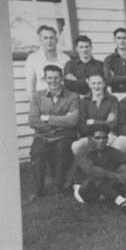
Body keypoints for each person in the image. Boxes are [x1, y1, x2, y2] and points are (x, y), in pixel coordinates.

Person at [73, 124, 126, 215]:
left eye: (104, 138)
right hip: (87, 192)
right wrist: (114, 175)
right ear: (89, 139)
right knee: (95, 175)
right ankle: (124, 204)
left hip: (105, 189)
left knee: (125, 167)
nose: (101, 141)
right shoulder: (82, 154)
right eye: (97, 138)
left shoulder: (109, 150)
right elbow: (91, 170)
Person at [28, 65, 79, 200]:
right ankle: (39, 190)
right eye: (49, 77)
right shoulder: (38, 96)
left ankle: (59, 187)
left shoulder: (72, 96)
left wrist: (47, 118)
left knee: (62, 150)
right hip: (44, 135)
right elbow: (33, 121)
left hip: (65, 135)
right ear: (45, 79)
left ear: (61, 78)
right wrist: (58, 125)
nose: (53, 81)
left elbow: (73, 120)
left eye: (56, 77)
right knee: (36, 152)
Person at [71, 73, 119, 155]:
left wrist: (93, 122)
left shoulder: (113, 100)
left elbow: (113, 124)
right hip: (91, 136)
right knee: (76, 146)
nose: (96, 86)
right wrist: (105, 123)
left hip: (108, 135)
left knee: (111, 145)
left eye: (99, 83)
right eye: (93, 83)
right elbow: (82, 126)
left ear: (104, 84)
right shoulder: (84, 101)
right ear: (89, 84)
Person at [25, 25, 71, 100]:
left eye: (51, 38)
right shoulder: (33, 59)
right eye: (45, 38)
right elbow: (30, 86)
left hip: (63, 102)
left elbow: (70, 84)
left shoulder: (65, 58)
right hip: (43, 102)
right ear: (40, 40)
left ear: (56, 40)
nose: (49, 41)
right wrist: (35, 106)